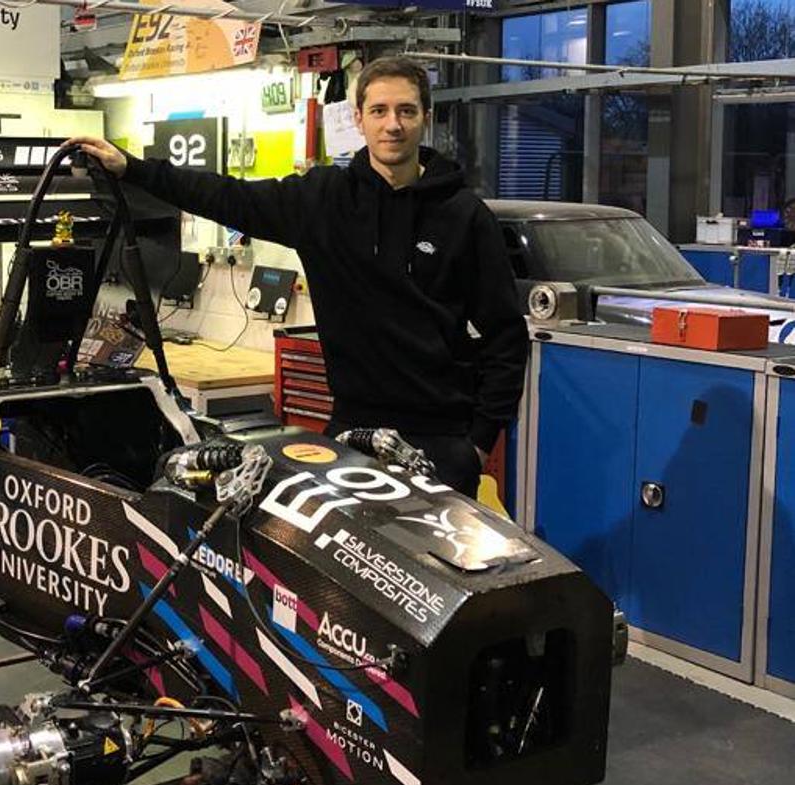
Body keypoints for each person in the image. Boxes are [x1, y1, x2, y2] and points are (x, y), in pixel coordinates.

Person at [71, 57, 528, 498]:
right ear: (360, 119)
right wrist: (133, 169)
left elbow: (505, 336)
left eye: (406, 111)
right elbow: (227, 195)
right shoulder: (323, 200)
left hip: (442, 439)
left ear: (426, 117)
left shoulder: (465, 215)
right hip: (352, 434)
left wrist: (477, 442)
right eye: (380, 111)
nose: (393, 124)